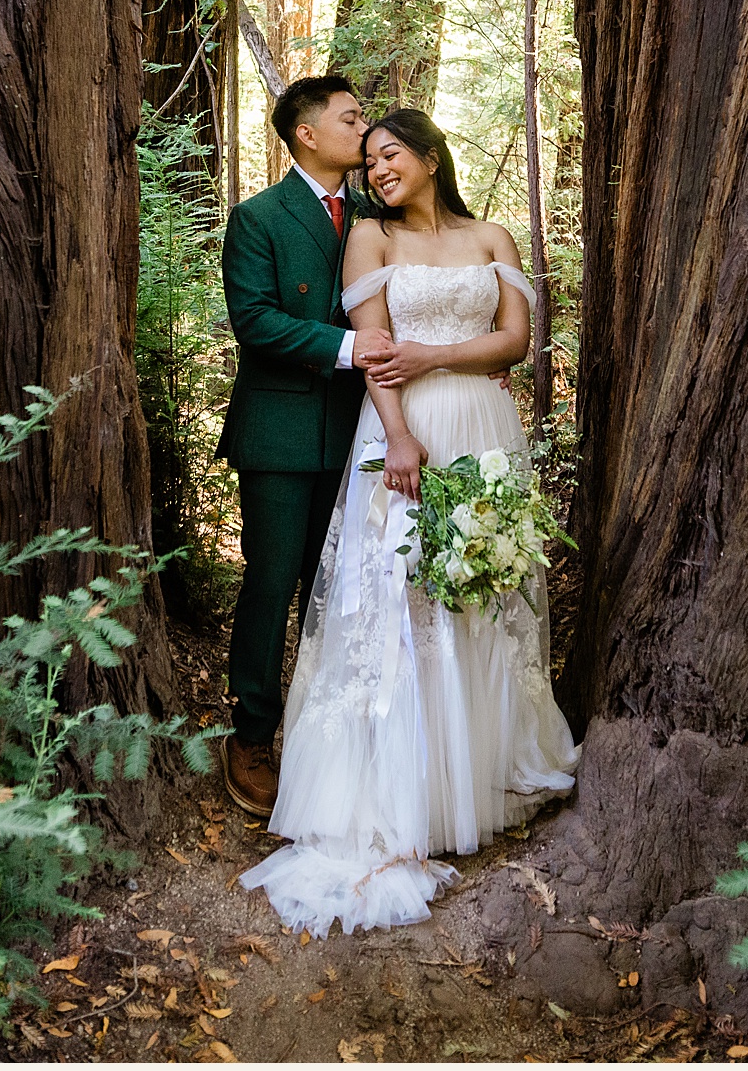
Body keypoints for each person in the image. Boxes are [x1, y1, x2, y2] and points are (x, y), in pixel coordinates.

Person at [239, 108, 578, 935]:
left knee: (478, 594)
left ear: (431, 157)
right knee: (397, 599)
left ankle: (478, 769)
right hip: (402, 434)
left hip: (484, 433)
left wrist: (436, 355)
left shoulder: (492, 234)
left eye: (390, 153)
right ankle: (394, 785)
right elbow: (373, 345)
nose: (377, 166)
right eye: (368, 156)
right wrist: (396, 433)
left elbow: (515, 342)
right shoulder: (370, 238)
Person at [216, 74, 392, 817]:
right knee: (274, 580)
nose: (365, 130)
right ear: (307, 134)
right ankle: (251, 735)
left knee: (344, 587)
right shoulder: (258, 217)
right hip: (279, 434)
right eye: (351, 119)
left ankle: (328, 740)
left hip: (360, 432)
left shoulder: (378, 216)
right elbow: (254, 322)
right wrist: (350, 347)